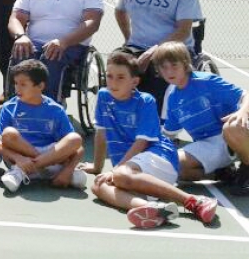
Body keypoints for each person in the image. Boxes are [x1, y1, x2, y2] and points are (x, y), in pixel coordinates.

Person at [84, 51, 218, 228]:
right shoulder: (103, 96)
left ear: (135, 82)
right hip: (133, 170)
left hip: (159, 156)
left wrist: (116, 169)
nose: (113, 82)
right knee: (98, 186)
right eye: (109, 76)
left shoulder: (145, 101)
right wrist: (97, 167)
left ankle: (194, 202)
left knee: (120, 175)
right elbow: (101, 134)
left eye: (120, 77)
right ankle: (154, 209)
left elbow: (142, 142)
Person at [114, 0, 202, 113]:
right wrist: (128, 39)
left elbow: (183, 30)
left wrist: (154, 50)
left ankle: (158, 125)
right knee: (116, 66)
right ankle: (120, 117)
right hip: (136, 46)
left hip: (173, 48)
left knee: (157, 72)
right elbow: (119, 11)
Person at [8, 0, 104, 102]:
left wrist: (63, 42)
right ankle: (20, 105)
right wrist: (20, 36)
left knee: (52, 58)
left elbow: (92, 22)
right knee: (21, 55)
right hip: (34, 43)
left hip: (71, 46)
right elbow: (16, 18)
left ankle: (50, 108)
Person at [155, 41, 249, 186]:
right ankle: (223, 173)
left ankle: (247, 171)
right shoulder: (173, 98)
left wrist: (243, 111)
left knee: (232, 127)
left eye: (174, 65)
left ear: (185, 64)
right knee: (173, 165)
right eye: (164, 67)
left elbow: (246, 95)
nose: (169, 72)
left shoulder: (206, 81)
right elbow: (168, 134)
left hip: (234, 135)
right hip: (208, 145)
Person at [0, 60, 87, 193]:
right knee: (9, 134)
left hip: (49, 156)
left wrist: (68, 170)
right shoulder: (8, 107)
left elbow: (78, 148)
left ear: (40, 86)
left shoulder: (56, 110)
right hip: (22, 159)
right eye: (16, 83)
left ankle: (20, 173)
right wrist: (18, 158)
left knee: (75, 138)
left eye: (23, 84)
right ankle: (31, 169)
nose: (17, 88)